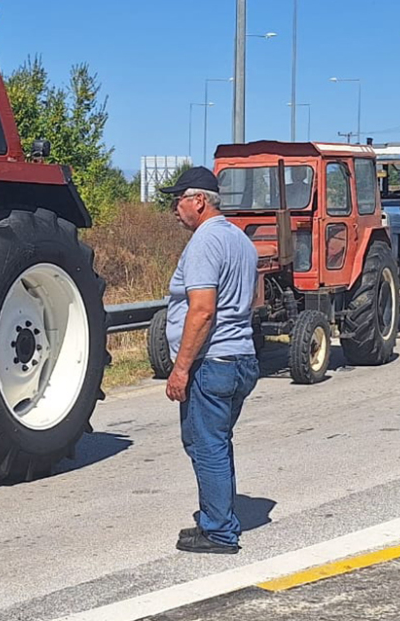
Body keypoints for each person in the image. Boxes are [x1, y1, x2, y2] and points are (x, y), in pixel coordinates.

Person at [158, 166, 261, 555]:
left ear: (198, 201)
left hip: (212, 361)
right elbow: (253, 298)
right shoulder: (241, 241)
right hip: (241, 356)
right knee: (214, 442)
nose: (174, 210)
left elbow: (201, 310)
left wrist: (181, 368)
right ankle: (214, 517)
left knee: (207, 445)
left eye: (177, 200)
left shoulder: (204, 242)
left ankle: (219, 531)